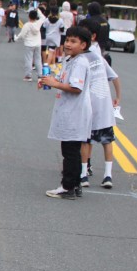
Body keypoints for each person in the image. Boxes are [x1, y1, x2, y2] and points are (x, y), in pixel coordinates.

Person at [39, 26, 94, 199]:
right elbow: (63, 79)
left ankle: (68, 186)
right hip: (70, 112)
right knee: (72, 151)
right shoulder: (70, 60)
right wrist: (49, 80)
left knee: (70, 152)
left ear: (83, 45)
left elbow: (76, 88)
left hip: (75, 113)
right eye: (67, 40)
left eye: (73, 41)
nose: (68, 44)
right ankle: (75, 185)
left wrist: (54, 84)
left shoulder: (80, 63)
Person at [79, 46, 122, 189]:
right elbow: (115, 77)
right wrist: (118, 97)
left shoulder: (80, 60)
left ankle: (83, 174)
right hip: (104, 109)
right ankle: (108, 175)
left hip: (89, 108)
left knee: (86, 141)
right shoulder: (99, 59)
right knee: (107, 141)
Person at [18, 9, 43, 81]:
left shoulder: (27, 25)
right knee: (38, 59)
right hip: (38, 44)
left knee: (29, 59)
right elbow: (43, 17)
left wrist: (19, 38)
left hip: (29, 44)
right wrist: (38, 10)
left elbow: (23, 35)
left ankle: (28, 76)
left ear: (29, 16)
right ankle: (40, 75)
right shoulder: (38, 23)